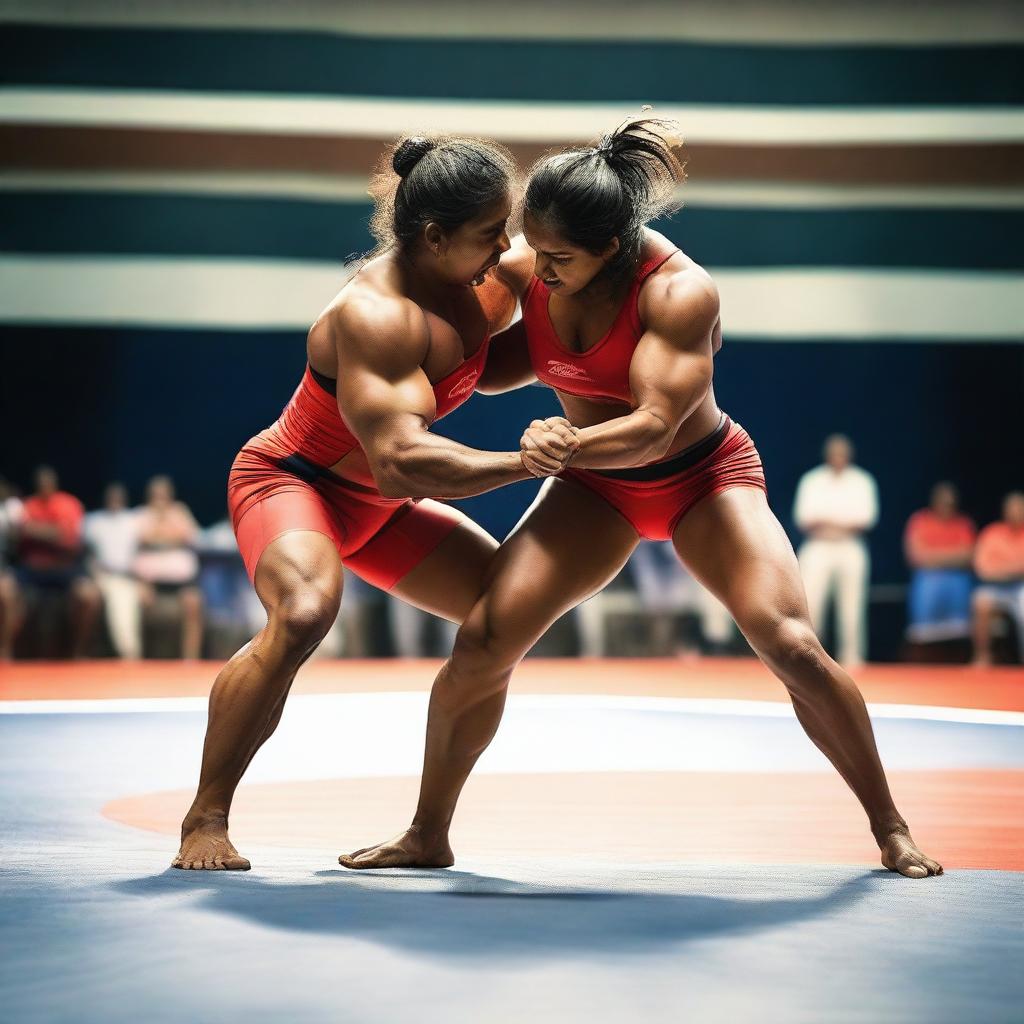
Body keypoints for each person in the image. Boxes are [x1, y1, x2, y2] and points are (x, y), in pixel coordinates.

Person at [339, 118, 942, 880]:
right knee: (486, 638)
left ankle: (890, 827)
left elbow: (656, 429)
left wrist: (552, 448)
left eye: (558, 258)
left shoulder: (681, 293)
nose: (536, 272)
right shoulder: (535, 270)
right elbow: (477, 357)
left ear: (613, 248)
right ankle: (428, 833)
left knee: (786, 641)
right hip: (596, 489)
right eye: (532, 248)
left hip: (699, 478)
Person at [172, 134, 579, 870]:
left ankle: (428, 834)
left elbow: (589, 251)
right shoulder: (374, 314)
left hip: (376, 510)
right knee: (303, 614)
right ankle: (205, 818)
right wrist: (524, 461)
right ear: (434, 237)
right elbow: (398, 465)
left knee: (502, 617)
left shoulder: (492, 271)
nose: (507, 249)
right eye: (491, 234)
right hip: (295, 484)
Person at [794, 435, 878, 667]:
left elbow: (865, 519)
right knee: (811, 604)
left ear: (849, 455)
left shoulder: (862, 481)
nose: (838, 457)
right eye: (834, 453)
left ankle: (852, 658)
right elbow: (804, 518)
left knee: (852, 606)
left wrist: (827, 521)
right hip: (818, 547)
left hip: (850, 547)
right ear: (827, 454)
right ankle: (809, 659)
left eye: (842, 453)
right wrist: (841, 522)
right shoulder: (812, 480)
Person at [4, 466, 101, 659]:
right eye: (41, 484)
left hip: (64, 568)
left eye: (48, 483)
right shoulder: (28, 505)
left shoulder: (69, 503)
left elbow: (68, 538)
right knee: (4, 590)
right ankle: (5, 652)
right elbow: (16, 535)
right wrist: (51, 532)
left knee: (89, 596)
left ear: (54, 484)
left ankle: (78, 651)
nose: (45, 486)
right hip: (32, 569)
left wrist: (32, 529)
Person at [133, 475, 205, 660]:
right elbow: (143, 538)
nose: (160, 498)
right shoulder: (141, 514)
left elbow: (192, 536)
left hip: (182, 582)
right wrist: (170, 535)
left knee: (194, 603)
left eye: (163, 494)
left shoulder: (180, 511)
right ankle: (138, 659)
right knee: (136, 601)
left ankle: (191, 660)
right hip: (149, 583)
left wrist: (162, 535)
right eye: (156, 494)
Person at [903, 482, 975, 645]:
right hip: (928, 577)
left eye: (950, 504)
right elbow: (915, 556)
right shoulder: (920, 520)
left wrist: (934, 557)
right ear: (934, 502)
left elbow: (968, 557)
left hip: (957, 578)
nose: (946, 507)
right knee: (928, 580)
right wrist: (951, 557)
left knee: (959, 580)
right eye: (942, 503)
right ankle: (922, 640)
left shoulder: (963, 524)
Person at [85, 482, 143, 659]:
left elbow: (141, 554)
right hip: (101, 576)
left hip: (127, 577)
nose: (114, 501)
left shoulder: (134, 520)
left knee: (122, 604)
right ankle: (83, 653)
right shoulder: (94, 521)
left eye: (118, 497)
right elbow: (87, 555)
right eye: (111, 497)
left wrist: (143, 580)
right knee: (89, 596)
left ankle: (129, 655)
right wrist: (93, 577)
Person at [972, 491, 1024, 666]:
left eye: (1020, 507)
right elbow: (983, 569)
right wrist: (1013, 570)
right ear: (1004, 510)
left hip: (1021, 587)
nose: (1016, 511)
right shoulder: (991, 533)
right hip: (996, 587)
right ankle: (983, 657)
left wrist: (1004, 569)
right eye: (1012, 507)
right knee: (981, 601)